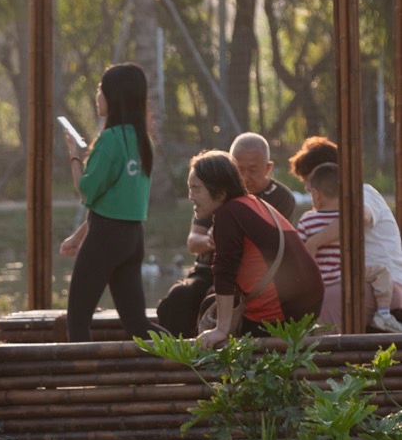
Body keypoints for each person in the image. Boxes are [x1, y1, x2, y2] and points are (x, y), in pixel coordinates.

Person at [156, 130, 295, 335]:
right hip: (208, 271)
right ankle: (177, 358)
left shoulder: (279, 198)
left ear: (268, 168)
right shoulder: (217, 191)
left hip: (250, 276)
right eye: (239, 169)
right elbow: (194, 242)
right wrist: (212, 240)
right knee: (180, 297)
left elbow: (269, 251)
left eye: (253, 170)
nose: (245, 178)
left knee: (221, 298)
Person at [186, 150, 322, 346]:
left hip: (283, 310)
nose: (191, 196)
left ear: (221, 192)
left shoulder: (228, 214)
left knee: (226, 350)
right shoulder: (250, 203)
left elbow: (224, 273)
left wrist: (221, 330)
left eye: (196, 189)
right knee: (210, 303)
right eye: (190, 188)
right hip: (306, 302)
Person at [58, 61, 153, 341]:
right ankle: (193, 361)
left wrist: (75, 155)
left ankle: (80, 383)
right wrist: (78, 235)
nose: (97, 97)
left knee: (77, 321)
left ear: (115, 97)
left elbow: (87, 191)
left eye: (101, 90)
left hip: (106, 238)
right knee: (138, 326)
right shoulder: (142, 140)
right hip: (133, 238)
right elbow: (114, 203)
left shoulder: (110, 139)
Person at [289, 136, 402, 315]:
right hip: (356, 280)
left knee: (320, 308)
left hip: (382, 285)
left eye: (309, 182)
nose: (309, 190)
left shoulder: (363, 192)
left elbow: (359, 217)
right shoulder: (327, 209)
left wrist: (314, 242)